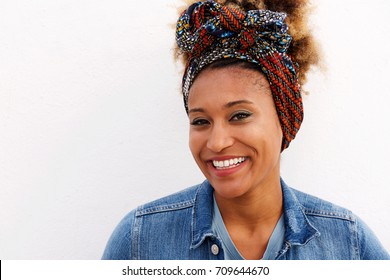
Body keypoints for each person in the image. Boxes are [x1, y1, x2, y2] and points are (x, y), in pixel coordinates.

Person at [102, 0, 390, 260]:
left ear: (285, 118)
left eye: (239, 115)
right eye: (200, 121)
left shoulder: (348, 244)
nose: (217, 142)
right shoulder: (139, 242)